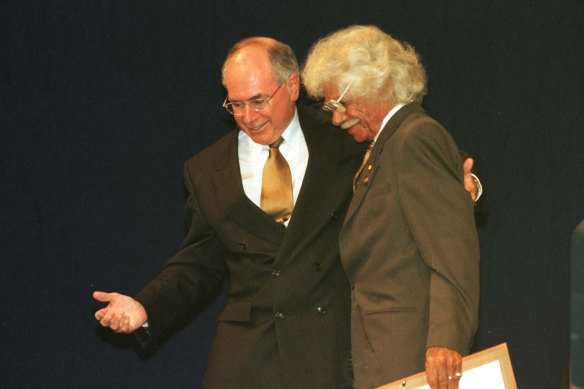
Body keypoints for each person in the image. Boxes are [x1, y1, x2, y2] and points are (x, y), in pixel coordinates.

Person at [94, 36, 480, 388]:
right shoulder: (205, 170)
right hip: (247, 356)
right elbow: (197, 264)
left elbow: (422, 158)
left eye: (259, 100)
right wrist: (146, 306)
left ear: (292, 87)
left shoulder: (342, 130)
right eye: (236, 104)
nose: (248, 116)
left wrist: (469, 185)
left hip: (330, 349)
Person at [302, 25, 480, 389]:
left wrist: (445, 340)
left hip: (413, 359)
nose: (336, 118)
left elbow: (451, 253)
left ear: (377, 85)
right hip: (384, 356)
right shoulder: (386, 144)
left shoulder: (415, 138)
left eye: (340, 104)